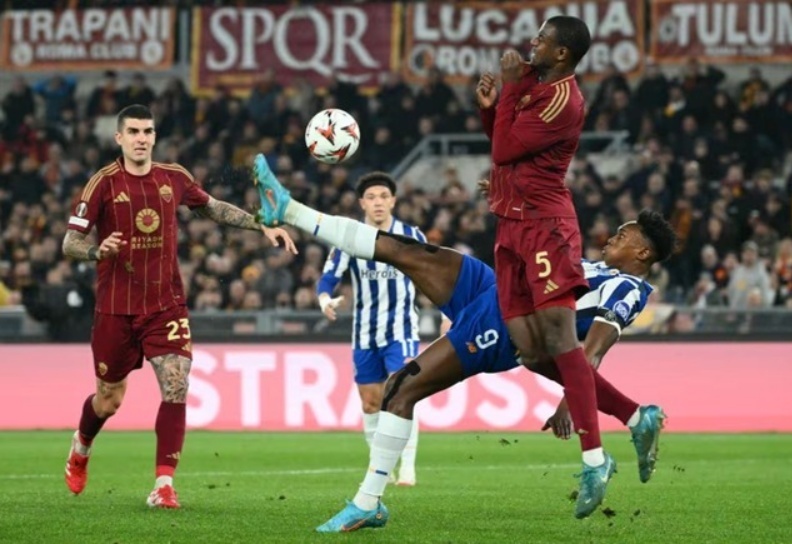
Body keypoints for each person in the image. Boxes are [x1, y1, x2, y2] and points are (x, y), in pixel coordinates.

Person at [251, 154, 677, 531]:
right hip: (494, 289)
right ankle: (290, 209)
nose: (612, 238)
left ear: (643, 254)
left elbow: (591, 351)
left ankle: (367, 503)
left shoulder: (627, 289)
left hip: (502, 328)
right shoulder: (599, 269)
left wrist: (572, 402)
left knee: (399, 390)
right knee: (405, 250)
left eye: (624, 237)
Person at [61, 105, 297, 509]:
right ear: (119, 138)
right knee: (109, 400)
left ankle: (164, 485)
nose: (141, 138)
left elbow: (213, 207)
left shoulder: (174, 177)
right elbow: (70, 243)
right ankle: (81, 447)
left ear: (155, 136)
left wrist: (260, 223)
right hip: (116, 308)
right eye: (133, 131)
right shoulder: (102, 183)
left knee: (176, 383)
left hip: (165, 304)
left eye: (147, 131)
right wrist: (97, 251)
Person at [476, 16, 612, 517]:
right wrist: (492, 108)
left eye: (542, 39)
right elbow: (504, 148)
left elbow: (504, 148)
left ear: (561, 53)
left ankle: (594, 458)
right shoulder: (533, 83)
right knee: (529, 350)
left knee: (559, 337)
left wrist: (510, 89)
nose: (532, 43)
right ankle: (629, 411)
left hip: (544, 226)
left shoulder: (562, 100)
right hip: (509, 225)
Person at [316, 172, 425, 486]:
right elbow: (329, 277)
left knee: (402, 393)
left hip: (402, 331)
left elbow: (433, 274)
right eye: (371, 197)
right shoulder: (350, 237)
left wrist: (448, 311)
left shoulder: (411, 235)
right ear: (362, 203)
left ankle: (408, 468)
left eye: (383, 196)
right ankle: (381, 466)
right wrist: (324, 299)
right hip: (364, 334)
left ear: (393, 201)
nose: (378, 202)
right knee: (370, 403)